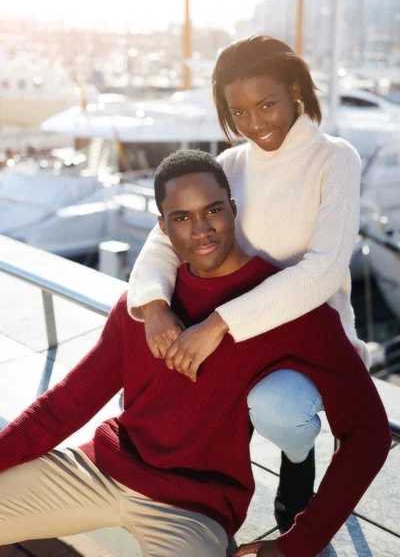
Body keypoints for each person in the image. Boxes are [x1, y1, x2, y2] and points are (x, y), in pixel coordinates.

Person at [0, 151, 391, 557]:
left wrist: (298, 544)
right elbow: (65, 404)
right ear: (162, 227)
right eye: (182, 217)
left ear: (233, 209)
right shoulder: (145, 305)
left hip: (194, 508)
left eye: (213, 210)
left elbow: (368, 432)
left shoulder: (290, 307)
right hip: (103, 468)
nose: (201, 229)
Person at [126, 35, 370, 532]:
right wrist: (153, 306)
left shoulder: (335, 159)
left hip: (306, 332)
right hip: (237, 332)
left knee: (277, 408)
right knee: (151, 362)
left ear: (295, 90)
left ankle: (298, 457)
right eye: (239, 113)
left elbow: (322, 272)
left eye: (266, 105)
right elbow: (164, 239)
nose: (255, 124)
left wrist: (217, 324)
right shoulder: (232, 165)